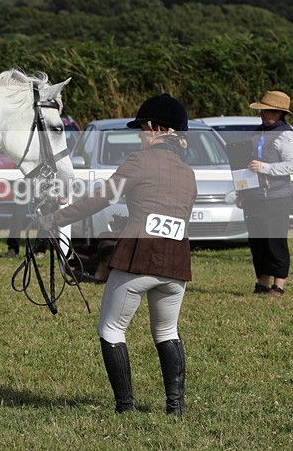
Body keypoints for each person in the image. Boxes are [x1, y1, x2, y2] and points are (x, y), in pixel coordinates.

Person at [40, 93, 197, 416]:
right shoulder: (188, 172)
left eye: (142, 128)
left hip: (139, 260)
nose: (140, 134)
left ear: (156, 128)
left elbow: (100, 199)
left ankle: (126, 407)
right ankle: (176, 407)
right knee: (167, 332)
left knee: (110, 329)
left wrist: (54, 220)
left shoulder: (138, 161)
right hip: (176, 263)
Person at [235, 90, 293, 296]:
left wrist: (265, 168)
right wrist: (242, 192)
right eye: (262, 110)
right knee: (258, 241)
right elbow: (245, 167)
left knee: (275, 241)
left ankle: (278, 285)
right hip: (254, 197)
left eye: (268, 111)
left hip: (277, 197)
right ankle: (262, 282)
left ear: (279, 114)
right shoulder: (256, 133)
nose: (263, 114)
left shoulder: (287, 135)